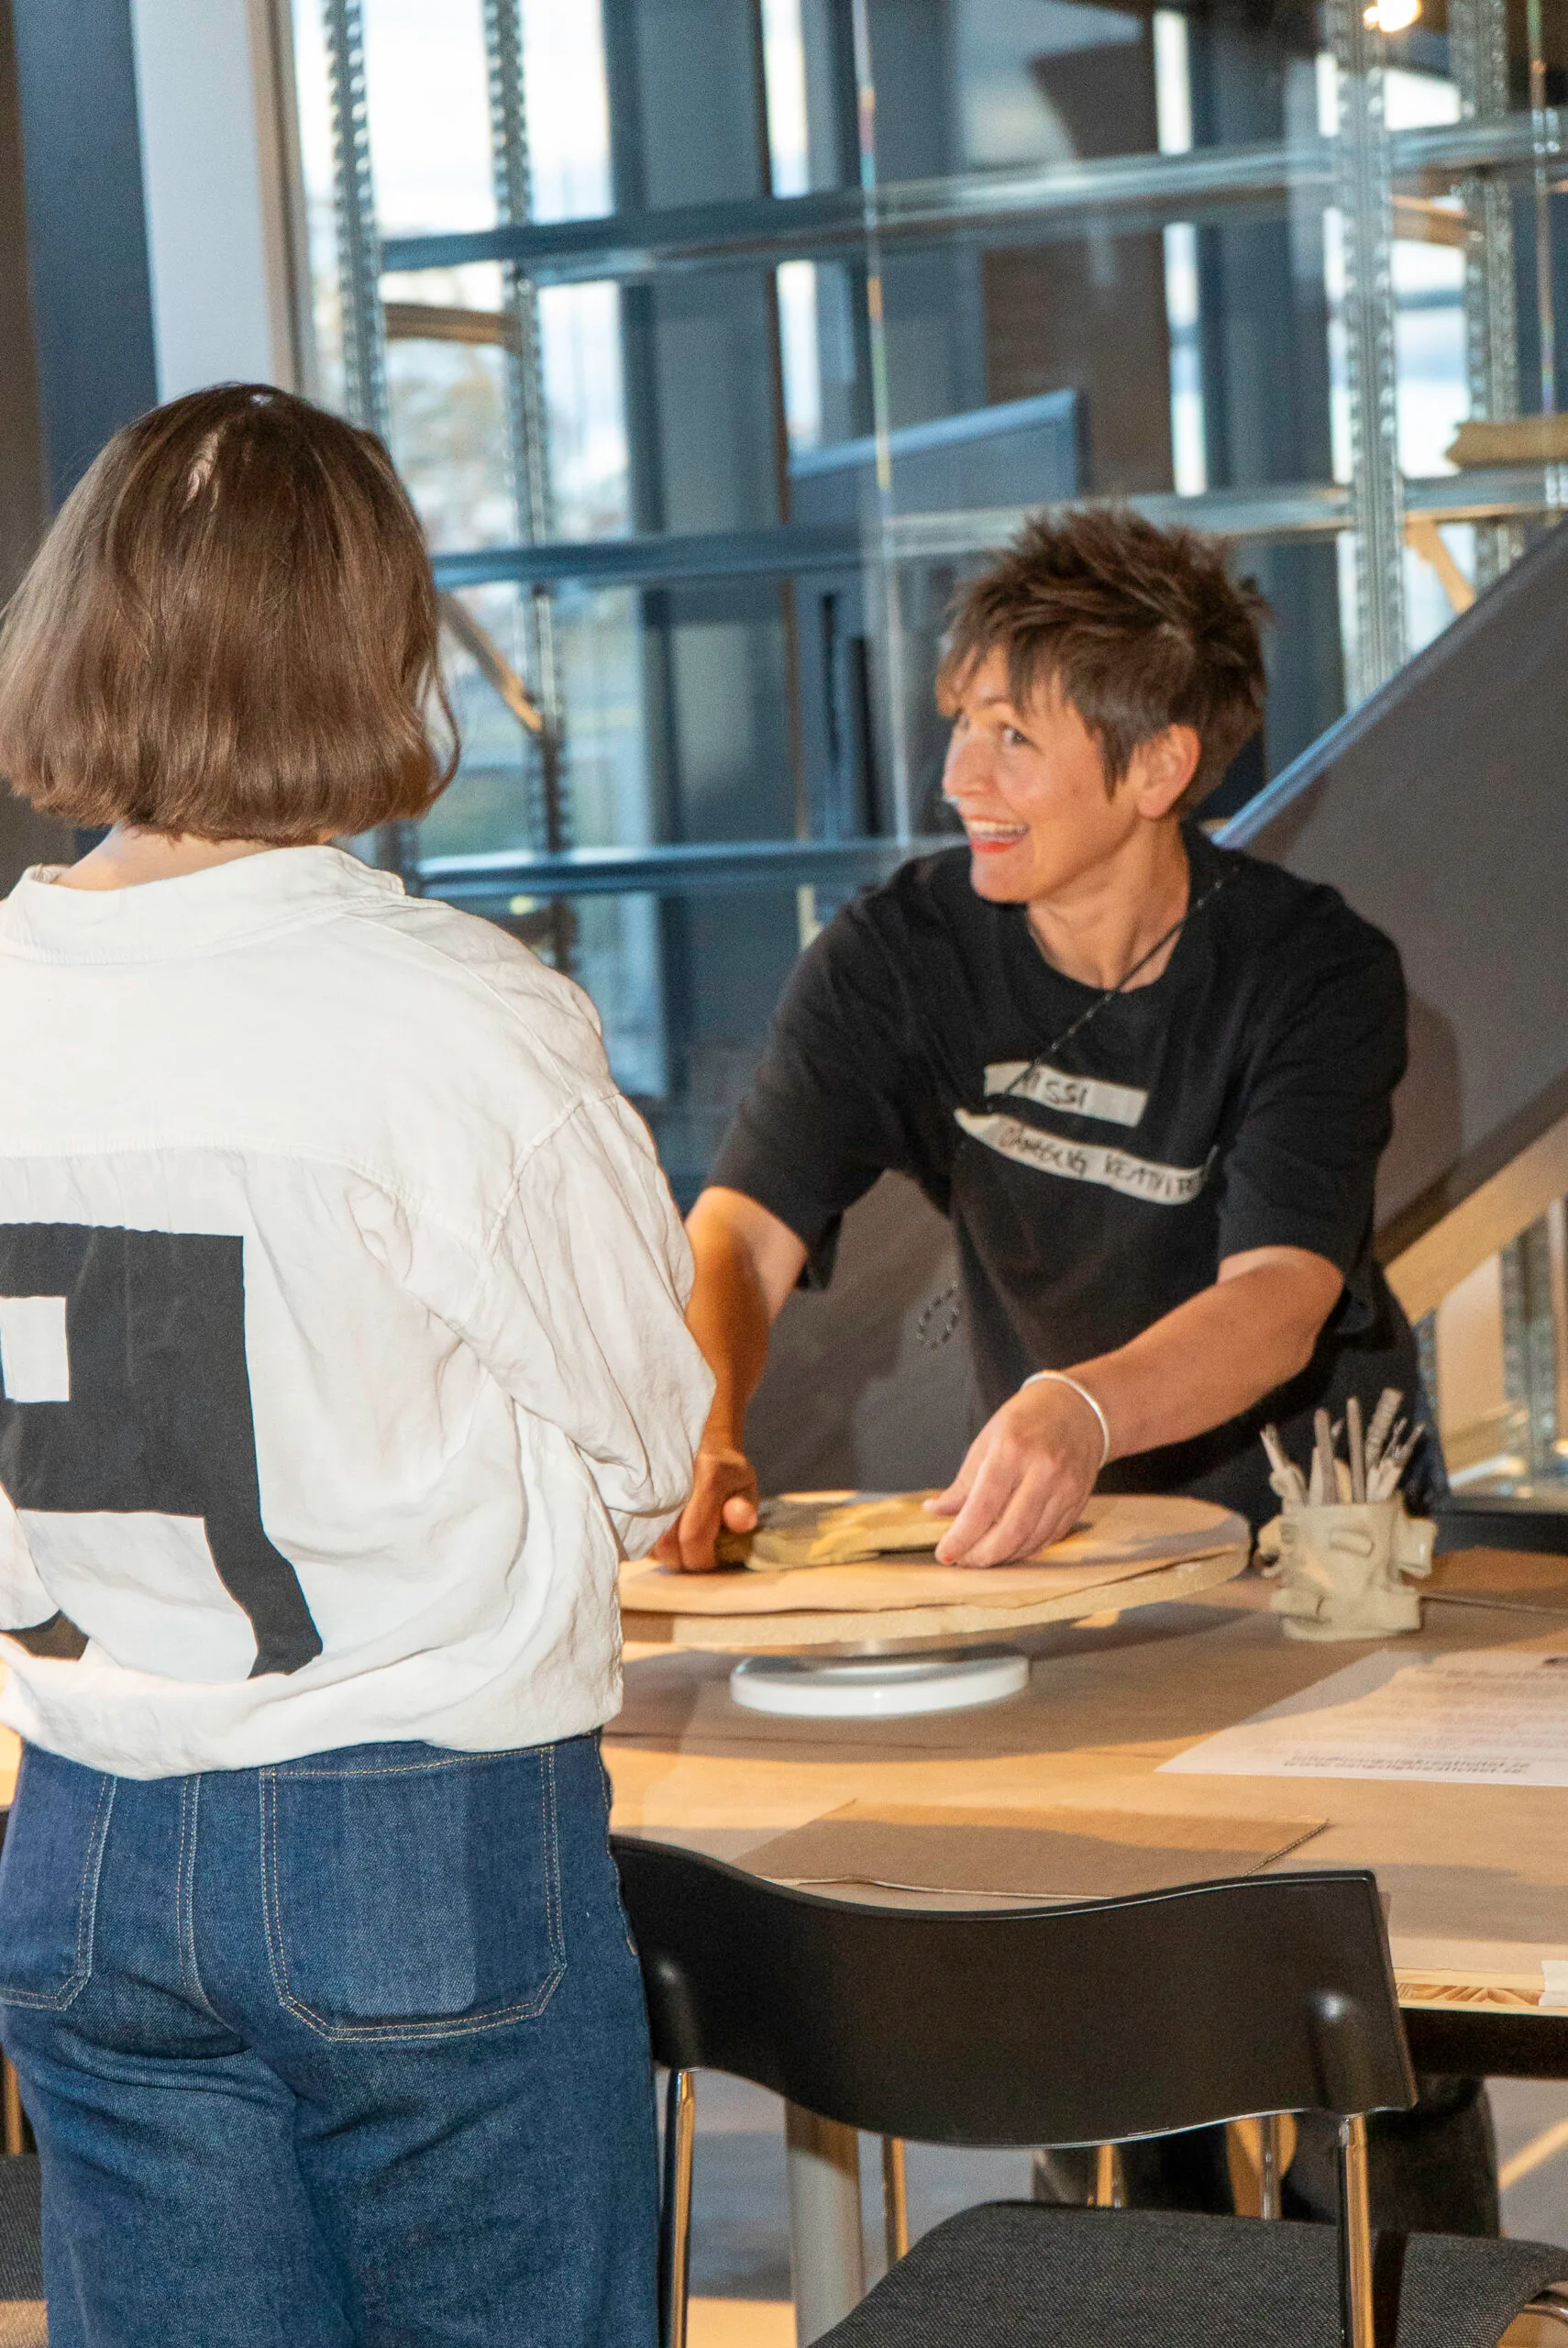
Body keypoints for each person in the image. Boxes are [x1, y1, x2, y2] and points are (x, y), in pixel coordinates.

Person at [659, 506, 1491, 2233]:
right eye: (959, 723)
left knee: (1375, 2032)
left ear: (1158, 764)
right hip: (1075, 1562)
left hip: (1313, 1546)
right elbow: (737, 1229)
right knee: (1107, 2012)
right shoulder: (897, 956)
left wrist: (1078, 1401)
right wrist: (698, 1416)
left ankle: (1412, 2310)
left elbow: (1278, 1295)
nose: (957, 774)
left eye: (1010, 736)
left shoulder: (1309, 970)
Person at [0, 384, 712, 2348]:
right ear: (372, 644)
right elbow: (652, 1444)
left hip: (82, 1835)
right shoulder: (454, 1020)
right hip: (423, 1837)